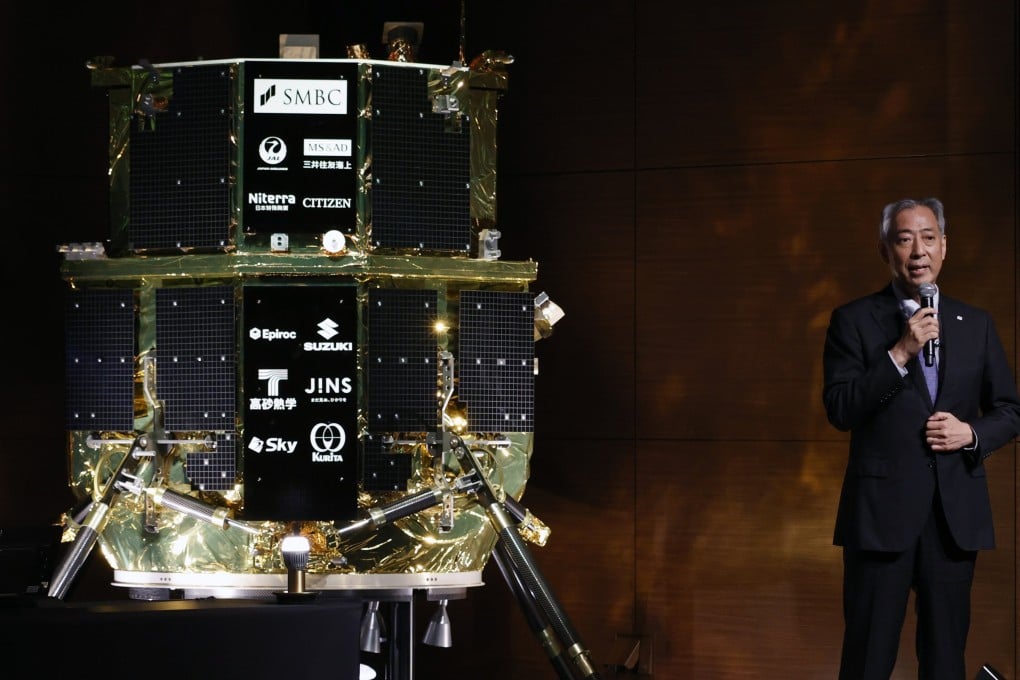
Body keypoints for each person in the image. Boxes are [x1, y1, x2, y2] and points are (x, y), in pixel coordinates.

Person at [822, 197, 1020, 680]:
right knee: (867, 660)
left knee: (945, 660)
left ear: (944, 246)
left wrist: (970, 433)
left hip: (953, 520)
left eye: (929, 238)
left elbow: (1010, 411)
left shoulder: (976, 324)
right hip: (880, 518)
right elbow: (841, 409)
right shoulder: (853, 320)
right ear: (885, 250)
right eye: (904, 239)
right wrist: (899, 352)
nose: (918, 251)